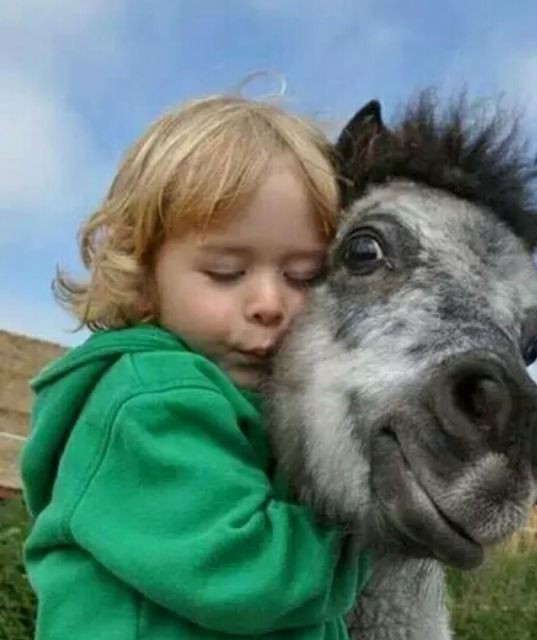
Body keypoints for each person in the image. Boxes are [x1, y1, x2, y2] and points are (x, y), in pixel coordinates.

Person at [21, 95, 371, 639]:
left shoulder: (270, 404)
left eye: (303, 276)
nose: (269, 303)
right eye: (226, 271)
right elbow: (248, 573)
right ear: (144, 278)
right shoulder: (150, 401)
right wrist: (378, 524)